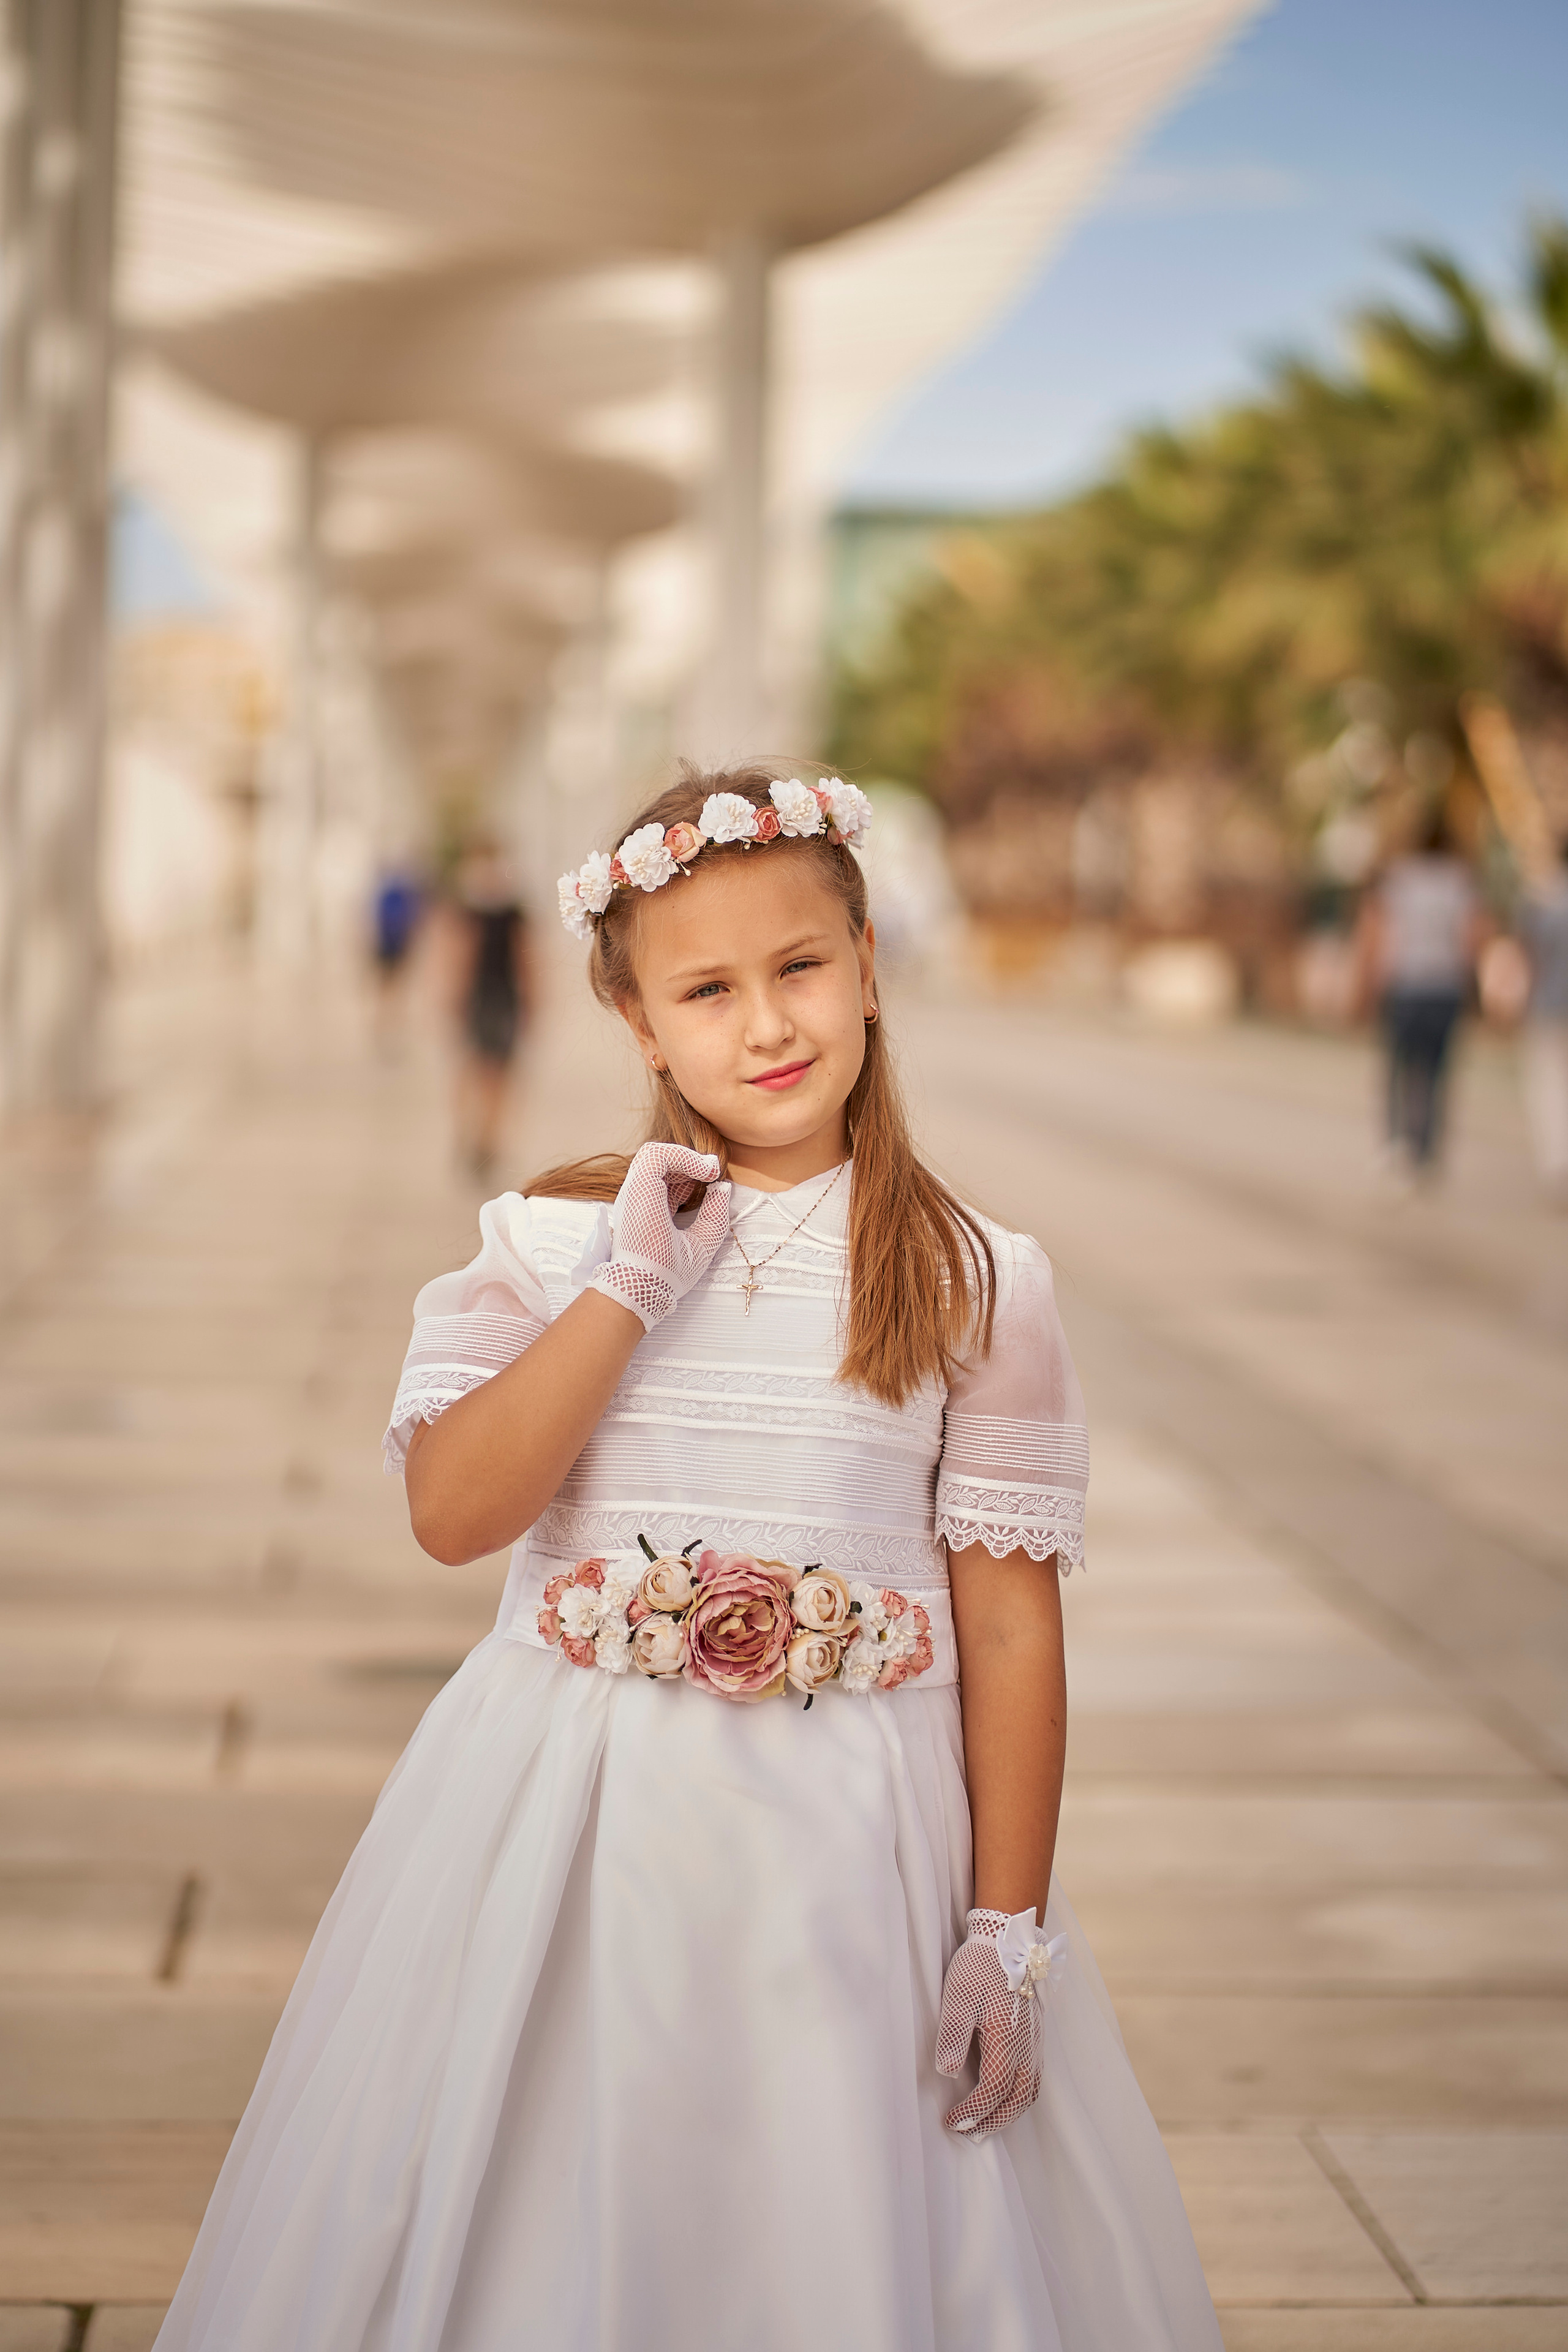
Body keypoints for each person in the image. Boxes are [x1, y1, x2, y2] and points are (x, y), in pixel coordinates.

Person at [153, 765, 1222, 2352]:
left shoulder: (975, 1276)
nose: (766, 1024)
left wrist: (1005, 1927)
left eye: (799, 968)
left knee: (831, 2207)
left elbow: (1007, 1629)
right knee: (580, 2193)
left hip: (857, 1844)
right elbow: (456, 1514)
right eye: (706, 991)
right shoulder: (549, 1237)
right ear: (639, 1023)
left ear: (867, 962)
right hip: (581, 1824)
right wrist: (624, 1290)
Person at [1356, 807, 1487, 1182]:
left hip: (1405, 985)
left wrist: (1365, 987)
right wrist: (1475, 987)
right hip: (1445, 987)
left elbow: (1375, 936)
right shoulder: (1461, 882)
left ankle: (1396, 1143)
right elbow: (1472, 939)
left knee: (1398, 1069)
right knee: (1437, 1072)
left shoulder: (1398, 880)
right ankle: (1427, 1151)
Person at [447, 841, 530, 1182]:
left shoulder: (486, 909)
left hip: (491, 997)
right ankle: (481, 1136)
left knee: (488, 1070)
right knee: (486, 1070)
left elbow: (524, 956)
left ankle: (483, 1136)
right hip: (490, 997)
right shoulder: (501, 909)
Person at [1517, 835, 1568, 1204]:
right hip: (1549, 1006)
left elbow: (1530, 957)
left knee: (1549, 1087)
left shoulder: (1543, 901)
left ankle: (1557, 1164)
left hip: (1549, 1007)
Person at [370, 865, 424, 1057]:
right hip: (394, 947)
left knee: (388, 988)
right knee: (393, 989)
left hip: (388, 947)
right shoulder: (401, 894)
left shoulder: (386, 894)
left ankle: (386, 1025)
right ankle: (387, 1025)